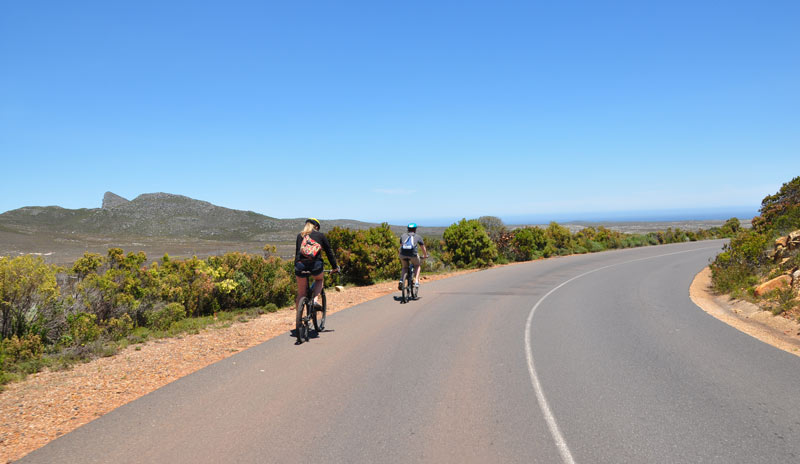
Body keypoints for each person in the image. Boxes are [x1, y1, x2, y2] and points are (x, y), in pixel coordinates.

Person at [295, 218, 339, 314]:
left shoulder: (300, 236)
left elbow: (297, 254)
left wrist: (297, 268)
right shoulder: (320, 236)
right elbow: (329, 253)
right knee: (319, 279)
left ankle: (299, 319)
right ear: (316, 227)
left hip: (300, 266)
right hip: (315, 266)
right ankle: (315, 300)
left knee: (301, 294)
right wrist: (335, 267)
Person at [398, 222, 428, 290]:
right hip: (413, 255)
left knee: (404, 267)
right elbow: (423, 247)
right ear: (415, 229)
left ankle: (401, 280)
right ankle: (416, 281)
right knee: (417, 265)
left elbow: (401, 247)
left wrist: (400, 254)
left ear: (408, 229)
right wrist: (425, 255)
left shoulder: (403, 236)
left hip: (403, 254)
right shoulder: (418, 236)